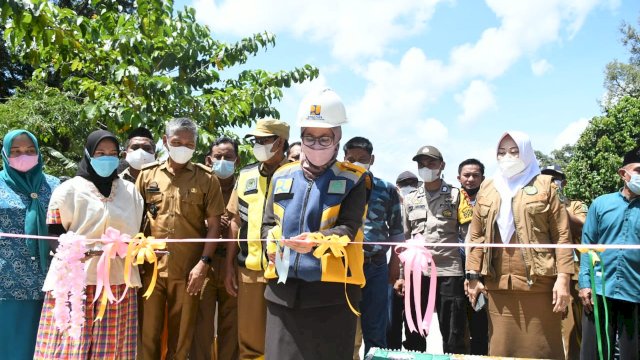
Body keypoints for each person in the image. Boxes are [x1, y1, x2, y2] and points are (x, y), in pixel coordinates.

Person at [261, 88, 371, 359]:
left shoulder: (354, 179)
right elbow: (266, 223)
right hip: (282, 291)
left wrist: (316, 241)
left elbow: (348, 226)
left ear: (337, 138)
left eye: (325, 138)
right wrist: (270, 243)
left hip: (332, 293)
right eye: (310, 137)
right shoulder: (281, 175)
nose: (316, 144)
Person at [34, 129, 144, 359]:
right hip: (75, 281)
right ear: (87, 154)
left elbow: (137, 234)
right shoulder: (68, 189)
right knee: (69, 346)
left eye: (113, 153)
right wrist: (73, 253)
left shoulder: (131, 191)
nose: (107, 158)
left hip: (117, 282)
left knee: (112, 347)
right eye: (100, 152)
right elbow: (54, 233)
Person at [466, 131, 572, 358]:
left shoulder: (546, 186)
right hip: (498, 286)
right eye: (501, 152)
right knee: (501, 349)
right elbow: (475, 237)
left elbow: (562, 236)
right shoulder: (488, 187)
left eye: (514, 152)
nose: (507, 157)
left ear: (526, 153)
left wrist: (563, 279)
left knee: (543, 348)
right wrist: (472, 276)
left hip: (540, 285)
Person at [137, 118, 225, 360]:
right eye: (177, 142)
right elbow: (136, 221)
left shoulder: (207, 179)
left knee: (181, 339)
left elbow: (214, 226)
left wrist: (203, 264)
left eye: (190, 143)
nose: (183, 147)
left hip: (188, 272)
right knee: (147, 337)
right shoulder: (146, 176)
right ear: (165, 141)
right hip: (150, 270)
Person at [224, 118, 290, 360]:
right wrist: (229, 266)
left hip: (285, 272)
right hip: (249, 270)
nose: (258, 145)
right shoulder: (246, 175)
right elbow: (234, 222)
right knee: (250, 343)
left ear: (280, 142)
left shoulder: (298, 173)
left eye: (264, 140)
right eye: (256, 141)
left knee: (285, 339)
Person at [394, 145, 468, 354]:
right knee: (414, 331)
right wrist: (402, 276)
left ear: (442, 165)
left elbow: (469, 236)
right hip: (417, 273)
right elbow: (405, 241)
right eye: (421, 164)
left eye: (431, 163)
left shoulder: (456, 196)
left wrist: (472, 274)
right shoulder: (410, 199)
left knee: (453, 332)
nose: (426, 168)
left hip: (449, 271)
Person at [0, 130, 60, 360]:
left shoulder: (54, 186)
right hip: (6, 284)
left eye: (29, 150)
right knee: (10, 346)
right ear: (5, 154)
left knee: (44, 348)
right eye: (15, 151)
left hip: (49, 284)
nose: (23, 155)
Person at [343, 136, 404, 358]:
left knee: (376, 330)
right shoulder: (338, 187)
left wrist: (394, 267)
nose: (356, 162)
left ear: (372, 159)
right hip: (344, 268)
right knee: (345, 329)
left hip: (375, 268)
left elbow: (397, 232)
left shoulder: (386, 190)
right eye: (351, 158)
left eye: (362, 159)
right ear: (344, 158)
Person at [579, 147, 640, 359]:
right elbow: (588, 245)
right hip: (599, 290)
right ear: (623, 174)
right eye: (639, 170)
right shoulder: (601, 204)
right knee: (593, 352)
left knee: (632, 353)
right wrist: (585, 283)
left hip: (635, 292)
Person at [192, 137, 241, 360]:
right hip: (205, 265)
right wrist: (208, 223)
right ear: (208, 160)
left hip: (233, 265)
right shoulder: (199, 185)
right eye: (218, 157)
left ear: (237, 160)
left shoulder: (245, 186)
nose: (223, 161)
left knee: (231, 327)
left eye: (228, 157)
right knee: (201, 326)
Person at [541, 164, 587, 359]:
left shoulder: (575, 205)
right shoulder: (536, 206)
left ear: (564, 183)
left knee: (574, 330)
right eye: (547, 178)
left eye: (555, 178)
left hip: (573, 276)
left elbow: (583, 228)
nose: (551, 181)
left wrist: (559, 208)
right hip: (544, 273)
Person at [457, 158, 488, 356]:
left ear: (482, 178)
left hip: (481, 268)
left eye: (475, 175)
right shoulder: (452, 198)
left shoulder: (490, 199)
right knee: (458, 321)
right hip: (456, 267)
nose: (470, 179)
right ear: (458, 177)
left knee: (480, 319)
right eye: (466, 175)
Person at [386, 171, 419, 350]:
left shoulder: (421, 205)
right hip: (392, 270)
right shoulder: (389, 206)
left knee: (414, 320)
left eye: (412, 183)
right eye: (404, 183)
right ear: (397, 186)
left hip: (415, 271)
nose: (408, 186)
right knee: (391, 322)